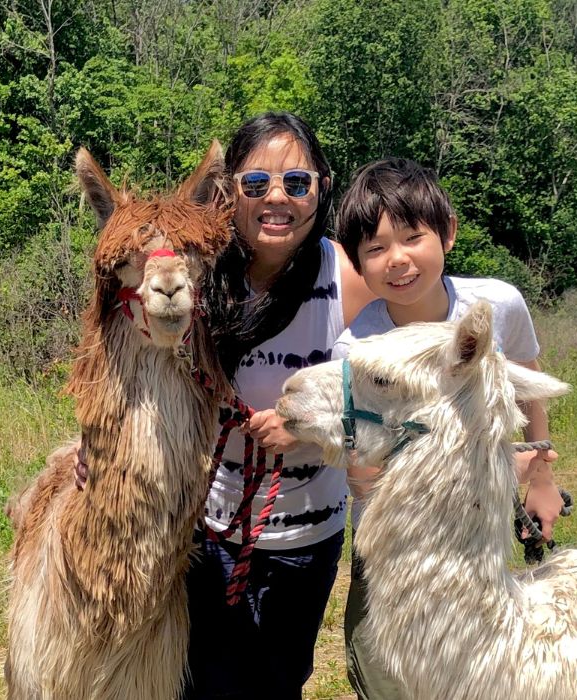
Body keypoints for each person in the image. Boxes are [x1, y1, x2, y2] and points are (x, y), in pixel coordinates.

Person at [332, 157, 564, 698]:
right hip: (393, 546)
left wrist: (541, 476)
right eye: (375, 248)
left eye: (413, 237)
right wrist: (497, 463)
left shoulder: (498, 305)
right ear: (357, 262)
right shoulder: (357, 351)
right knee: (384, 674)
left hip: (477, 540)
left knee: (485, 673)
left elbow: (524, 385)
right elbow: (364, 477)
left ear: (449, 232)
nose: (398, 260)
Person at [182, 112, 376, 699]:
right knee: (201, 682)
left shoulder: (345, 276)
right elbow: (137, 364)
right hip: (210, 530)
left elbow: (382, 398)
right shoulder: (201, 276)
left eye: (296, 183)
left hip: (305, 540)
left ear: (321, 188)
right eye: (256, 183)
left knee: (277, 681)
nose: (277, 199)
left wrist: (312, 428)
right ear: (231, 192)